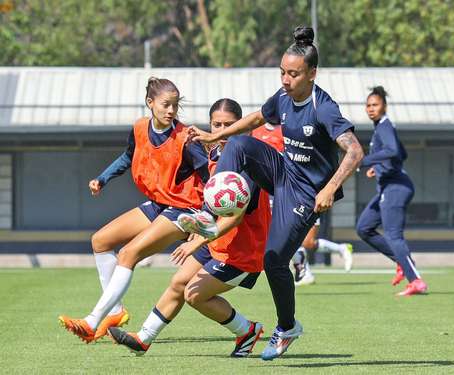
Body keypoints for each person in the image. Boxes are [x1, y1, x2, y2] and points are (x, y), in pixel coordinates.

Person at [183, 26, 364, 360]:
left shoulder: (324, 109)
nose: (285, 79)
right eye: (282, 72)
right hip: (282, 172)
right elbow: (254, 118)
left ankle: (286, 327)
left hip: (306, 195)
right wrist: (212, 137)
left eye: (293, 74)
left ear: (312, 74)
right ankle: (209, 217)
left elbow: (354, 152)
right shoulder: (282, 98)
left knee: (273, 261)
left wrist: (329, 188)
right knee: (237, 143)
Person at [107, 98, 270, 358]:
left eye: (229, 125)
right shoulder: (214, 155)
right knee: (178, 283)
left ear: (241, 127)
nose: (221, 130)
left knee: (194, 295)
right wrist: (195, 223)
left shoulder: (246, 162)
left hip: (243, 252)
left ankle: (247, 330)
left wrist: (196, 240)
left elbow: (235, 217)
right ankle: (143, 339)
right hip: (216, 241)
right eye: (216, 124)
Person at [58, 77, 209, 342]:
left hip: (184, 209)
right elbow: (128, 157)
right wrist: (102, 179)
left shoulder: (187, 138)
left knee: (128, 253)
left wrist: (205, 222)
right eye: (165, 105)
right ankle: (116, 313)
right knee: (101, 241)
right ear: (150, 103)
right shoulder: (140, 128)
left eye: (175, 105)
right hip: (160, 204)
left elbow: (209, 178)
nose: (171, 111)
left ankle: (93, 321)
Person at [252, 124, 354, 285]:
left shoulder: (288, 129)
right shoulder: (256, 131)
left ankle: (339, 249)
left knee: (307, 241)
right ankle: (305, 270)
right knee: (281, 235)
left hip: (300, 191)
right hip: (273, 191)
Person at [356, 86, 427, 297]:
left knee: (394, 235)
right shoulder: (381, 127)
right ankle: (401, 261)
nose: (370, 109)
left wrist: (363, 160)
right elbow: (401, 154)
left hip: (395, 187)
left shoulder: (384, 125)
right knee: (364, 227)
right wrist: (378, 167)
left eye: (375, 105)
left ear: (384, 107)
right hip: (389, 186)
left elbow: (393, 151)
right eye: (368, 105)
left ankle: (416, 281)